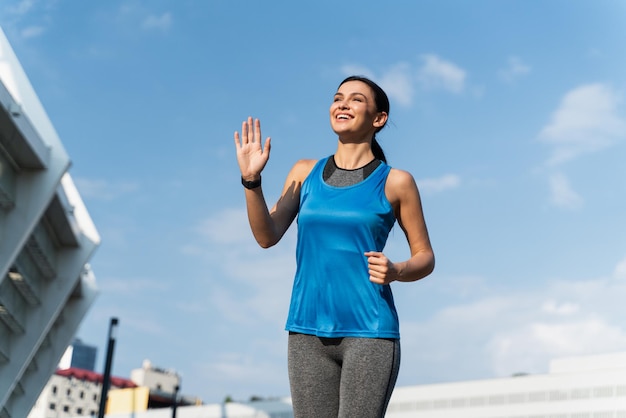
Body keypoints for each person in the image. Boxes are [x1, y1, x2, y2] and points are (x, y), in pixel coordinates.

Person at [233, 75, 435, 417]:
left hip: (369, 332)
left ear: (378, 118)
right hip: (305, 330)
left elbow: (425, 257)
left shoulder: (396, 182)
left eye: (356, 99)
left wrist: (397, 270)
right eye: (338, 97)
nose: (342, 103)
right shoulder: (303, 171)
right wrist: (251, 181)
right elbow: (266, 236)